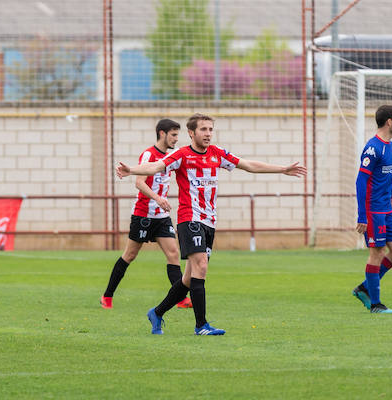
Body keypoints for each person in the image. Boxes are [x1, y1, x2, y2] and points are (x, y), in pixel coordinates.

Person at [116, 113, 305, 335]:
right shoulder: (182, 155)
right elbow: (155, 167)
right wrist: (132, 170)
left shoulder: (217, 154)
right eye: (203, 129)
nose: (208, 134)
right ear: (192, 133)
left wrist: (282, 169)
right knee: (202, 266)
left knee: (188, 279)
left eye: (210, 129)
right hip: (190, 218)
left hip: (209, 221)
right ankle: (201, 326)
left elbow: (248, 165)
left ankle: (157, 313)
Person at [100, 118, 190, 310]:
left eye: (177, 135)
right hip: (143, 215)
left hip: (161, 217)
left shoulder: (171, 155)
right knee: (130, 255)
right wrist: (158, 198)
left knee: (173, 254)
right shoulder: (149, 154)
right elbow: (139, 182)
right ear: (162, 134)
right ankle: (107, 296)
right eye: (173, 135)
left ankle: (180, 299)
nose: (176, 139)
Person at [351, 105, 392, 314]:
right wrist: (362, 215)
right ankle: (376, 304)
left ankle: (364, 287)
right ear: (389, 122)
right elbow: (361, 181)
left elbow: (386, 181)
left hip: (387, 210)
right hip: (373, 211)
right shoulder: (373, 148)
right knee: (377, 253)